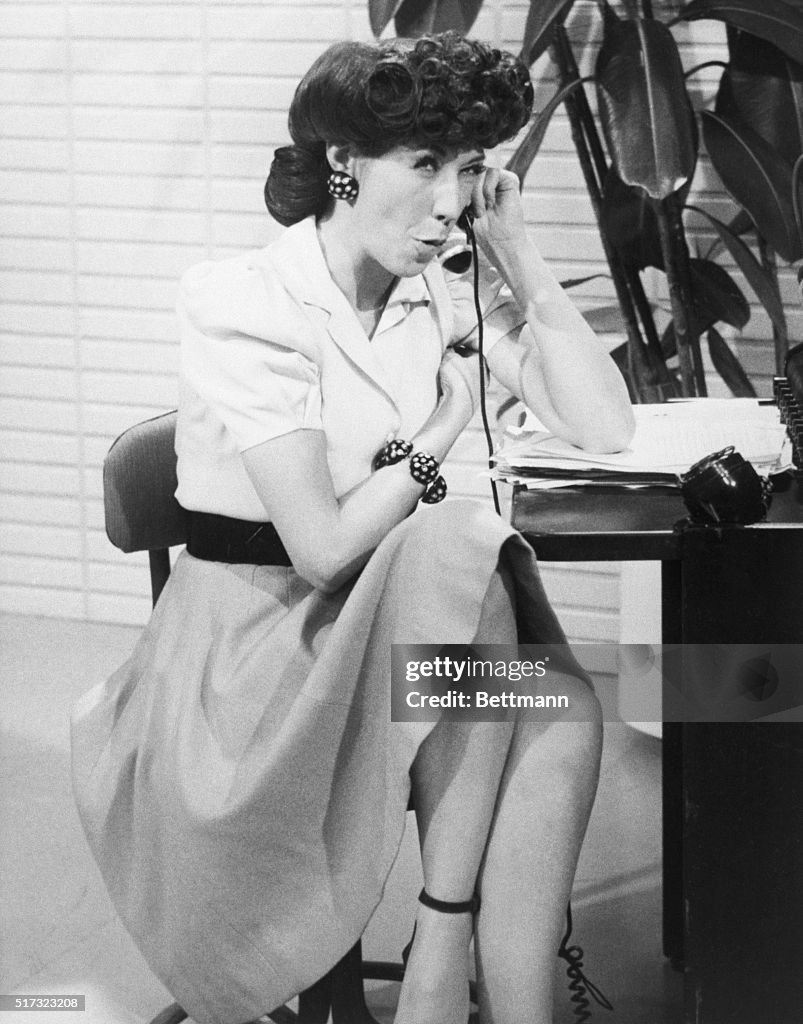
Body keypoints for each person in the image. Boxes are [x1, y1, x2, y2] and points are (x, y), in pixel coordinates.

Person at [71, 30, 634, 1024]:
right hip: (256, 663)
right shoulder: (242, 299)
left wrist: (518, 253)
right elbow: (324, 548)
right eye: (424, 165)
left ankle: (507, 1000)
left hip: (398, 648)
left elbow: (603, 423)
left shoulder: (436, 286)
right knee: (459, 540)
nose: (450, 202)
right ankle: (439, 942)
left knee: (554, 708)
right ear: (342, 165)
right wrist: (437, 434)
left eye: (466, 170)